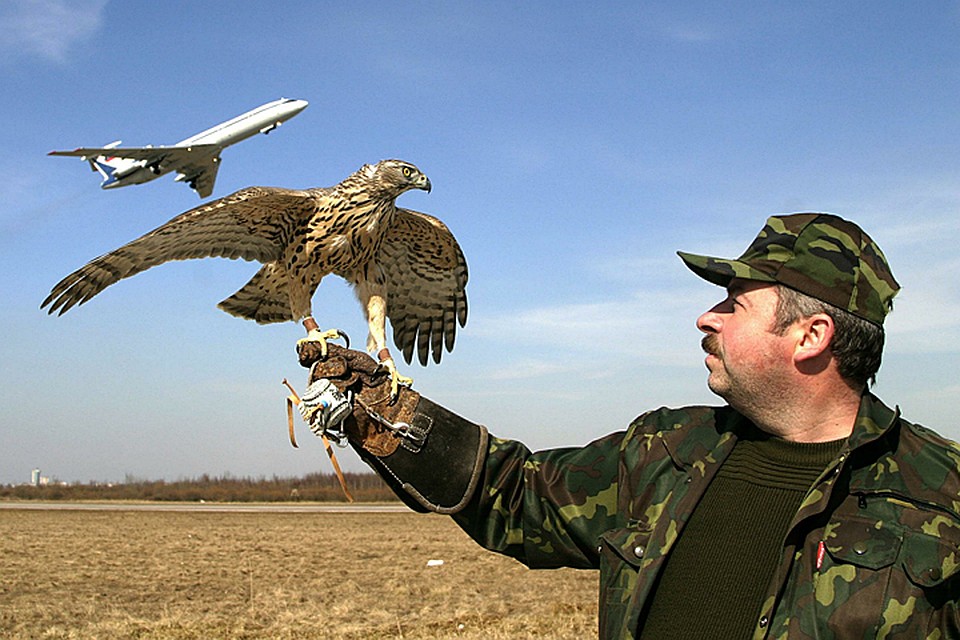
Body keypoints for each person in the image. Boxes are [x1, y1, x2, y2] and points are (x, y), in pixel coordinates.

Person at [297, 213, 960, 639]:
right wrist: (379, 409)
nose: (707, 317)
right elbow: (513, 491)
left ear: (811, 336)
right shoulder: (665, 452)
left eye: (734, 304)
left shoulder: (944, 494)